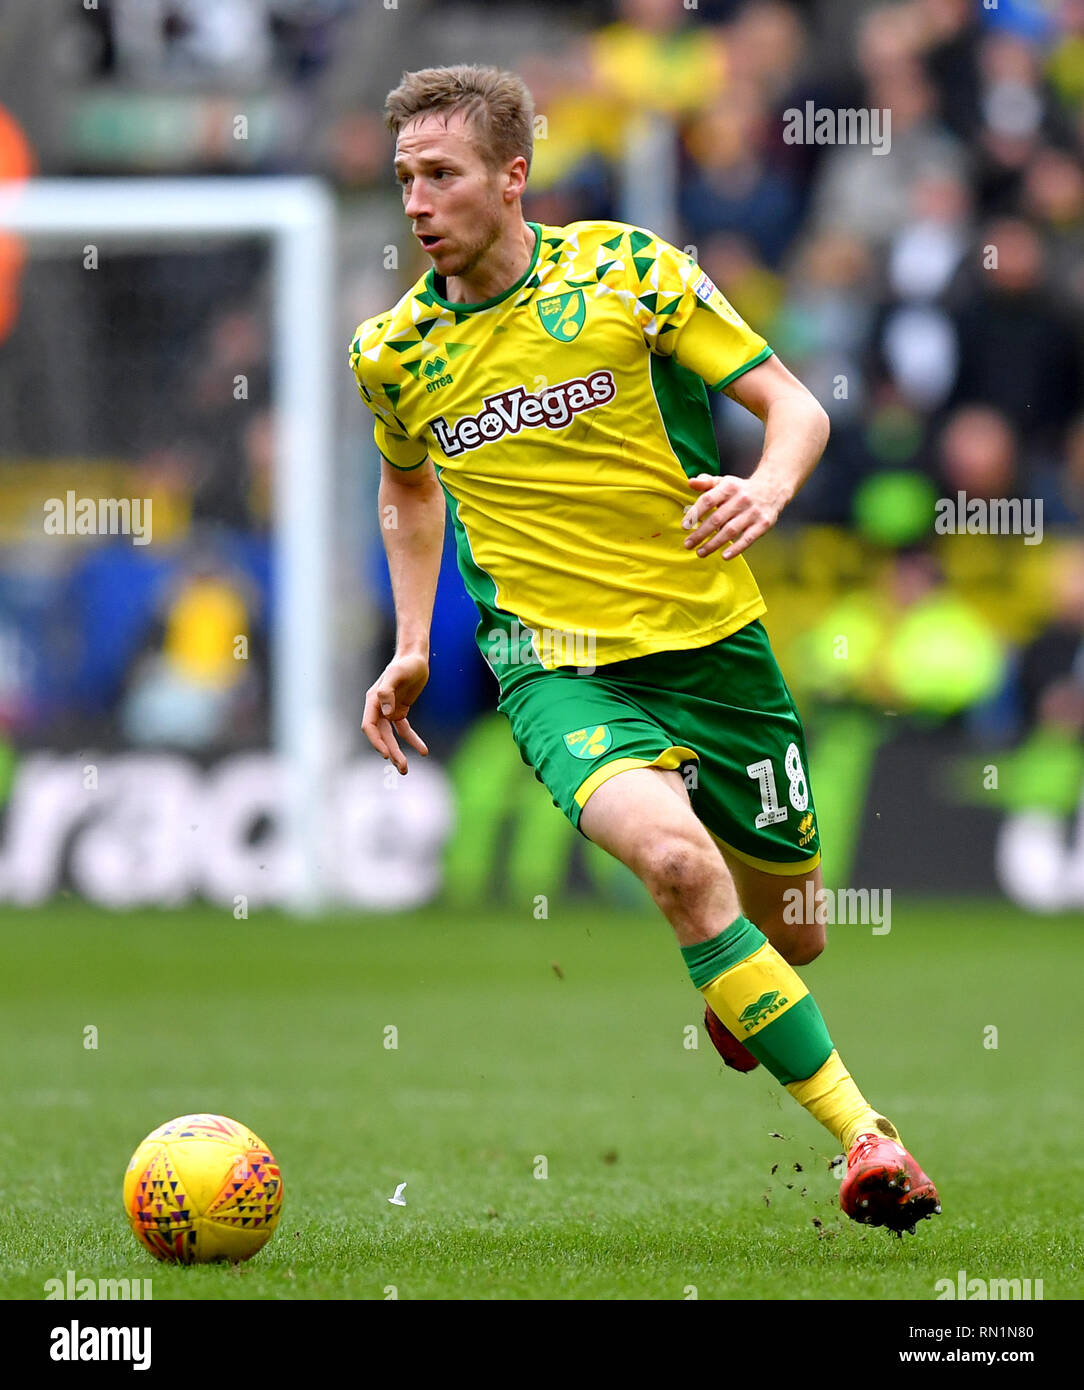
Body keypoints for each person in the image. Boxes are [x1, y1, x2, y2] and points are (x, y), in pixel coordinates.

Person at [350, 64, 939, 1233]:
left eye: (444, 175)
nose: (417, 202)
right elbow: (408, 492)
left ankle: (749, 984)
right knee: (674, 867)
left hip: (712, 644)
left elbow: (798, 409)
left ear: (513, 178)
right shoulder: (394, 351)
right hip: (554, 664)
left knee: (795, 932)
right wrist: (415, 639)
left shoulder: (626, 271)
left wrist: (767, 490)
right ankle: (866, 1138)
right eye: (406, 177)